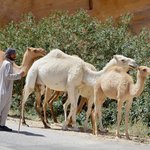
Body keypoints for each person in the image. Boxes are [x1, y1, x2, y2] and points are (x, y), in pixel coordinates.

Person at [0, 48, 24, 132]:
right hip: (4, 90)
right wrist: (19, 75)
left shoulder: (8, 63)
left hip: (7, 90)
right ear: (9, 55)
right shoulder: (7, 64)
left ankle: (2, 125)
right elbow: (8, 76)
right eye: (13, 54)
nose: (15, 55)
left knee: (5, 109)